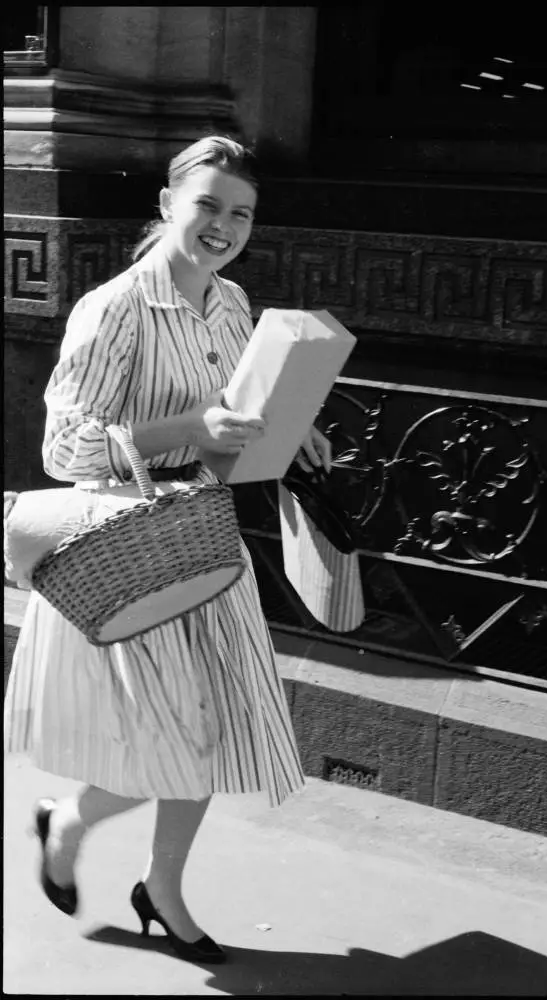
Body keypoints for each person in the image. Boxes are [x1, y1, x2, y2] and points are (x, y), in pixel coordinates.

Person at [3, 135, 332, 964]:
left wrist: (294, 428)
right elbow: (64, 451)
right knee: (163, 738)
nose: (223, 225)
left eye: (241, 213)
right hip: (131, 541)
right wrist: (187, 429)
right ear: (166, 207)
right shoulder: (112, 307)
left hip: (206, 532)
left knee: (213, 730)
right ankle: (68, 823)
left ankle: (164, 889)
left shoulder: (231, 302)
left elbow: (236, 406)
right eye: (208, 206)